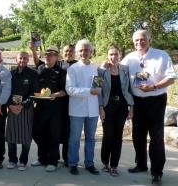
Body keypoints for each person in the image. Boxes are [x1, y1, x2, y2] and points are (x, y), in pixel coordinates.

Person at [122, 29, 176, 185]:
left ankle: (157, 172)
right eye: (136, 40)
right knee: (137, 136)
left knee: (156, 138)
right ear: (133, 42)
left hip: (156, 100)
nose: (139, 42)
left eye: (143, 39)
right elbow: (118, 71)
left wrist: (153, 87)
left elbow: (171, 78)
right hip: (137, 102)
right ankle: (141, 165)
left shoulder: (161, 55)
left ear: (149, 40)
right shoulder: (129, 58)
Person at [30, 43, 76, 166]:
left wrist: (55, 95)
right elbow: (35, 87)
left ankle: (53, 161)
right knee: (39, 133)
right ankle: (41, 158)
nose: (48, 57)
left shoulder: (61, 72)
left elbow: (65, 91)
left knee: (53, 135)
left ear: (57, 57)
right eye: (47, 54)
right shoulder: (39, 68)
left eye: (51, 55)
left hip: (55, 110)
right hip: (40, 108)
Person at [65, 39, 100, 175]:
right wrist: (89, 91)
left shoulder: (96, 68)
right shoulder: (72, 69)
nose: (84, 52)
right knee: (75, 138)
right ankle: (73, 163)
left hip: (93, 109)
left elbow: (98, 86)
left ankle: (89, 163)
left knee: (91, 138)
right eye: (81, 50)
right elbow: (70, 89)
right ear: (77, 52)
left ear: (91, 52)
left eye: (86, 50)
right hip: (77, 109)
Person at [98, 45, 134, 176]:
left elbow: (130, 90)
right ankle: (105, 163)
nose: (114, 57)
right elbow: (98, 90)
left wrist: (131, 108)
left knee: (118, 137)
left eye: (116, 54)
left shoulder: (125, 70)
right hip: (107, 106)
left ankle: (114, 165)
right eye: (111, 54)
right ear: (107, 56)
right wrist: (100, 108)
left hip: (122, 107)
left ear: (120, 56)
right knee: (108, 136)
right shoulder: (102, 71)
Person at [6, 52, 39, 171]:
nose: (23, 60)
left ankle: (23, 161)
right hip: (12, 108)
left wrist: (23, 104)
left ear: (28, 60)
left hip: (26, 109)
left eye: (25, 58)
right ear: (16, 59)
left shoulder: (33, 74)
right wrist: (10, 105)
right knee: (11, 136)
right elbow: (6, 91)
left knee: (26, 137)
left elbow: (35, 93)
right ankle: (12, 160)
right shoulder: (10, 74)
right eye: (21, 58)